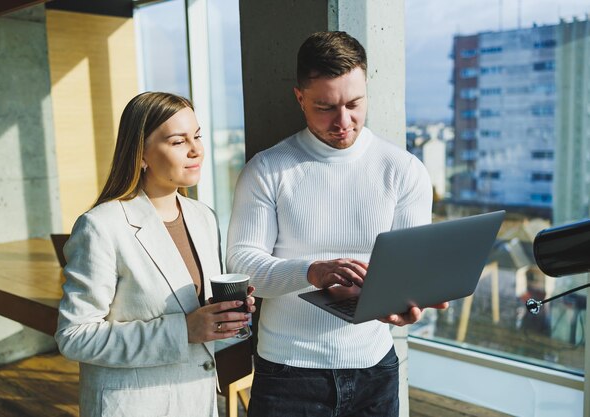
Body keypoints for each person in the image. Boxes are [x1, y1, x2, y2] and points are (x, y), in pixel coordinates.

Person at [226, 31, 448, 417]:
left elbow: (411, 270)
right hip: (287, 372)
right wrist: (312, 272)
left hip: (375, 369)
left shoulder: (405, 170)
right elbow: (242, 266)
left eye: (354, 103)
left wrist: (407, 305)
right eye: (325, 107)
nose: (343, 122)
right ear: (300, 98)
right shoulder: (267, 169)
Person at [55, 92, 255, 417]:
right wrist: (183, 331)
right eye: (178, 141)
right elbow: (74, 336)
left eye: (198, 136)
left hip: (197, 400)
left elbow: (194, 313)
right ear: (142, 154)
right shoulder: (100, 226)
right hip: (134, 406)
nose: (196, 150)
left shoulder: (202, 216)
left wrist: (225, 314)